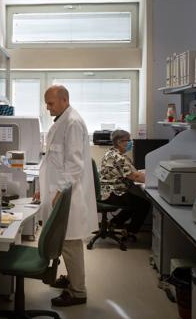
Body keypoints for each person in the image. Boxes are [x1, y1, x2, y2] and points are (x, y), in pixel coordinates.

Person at [33, 85, 98, 307]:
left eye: (50, 103)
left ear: (64, 100)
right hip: (59, 192)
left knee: (70, 243)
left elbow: (74, 165)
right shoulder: (63, 120)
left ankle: (78, 292)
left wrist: (59, 191)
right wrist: (43, 188)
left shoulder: (72, 122)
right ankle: (71, 279)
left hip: (67, 195)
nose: (47, 108)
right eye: (46, 103)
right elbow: (51, 161)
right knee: (64, 241)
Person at [99, 129, 151, 240]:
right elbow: (135, 176)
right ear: (119, 142)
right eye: (128, 140)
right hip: (113, 193)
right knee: (143, 204)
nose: (130, 142)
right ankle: (129, 232)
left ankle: (114, 223)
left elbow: (131, 173)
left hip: (109, 191)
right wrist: (155, 179)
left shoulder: (111, 153)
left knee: (135, 202)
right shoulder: (118, 158)